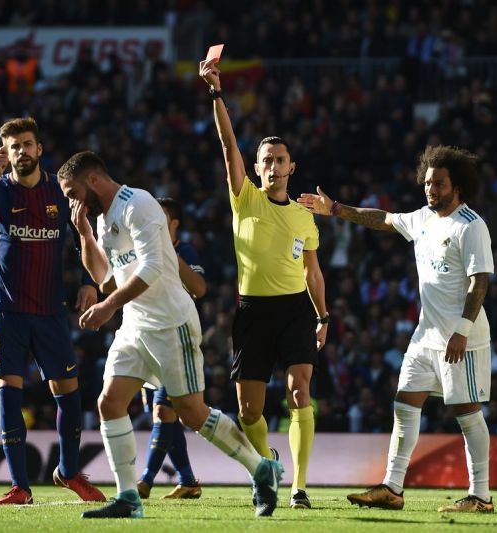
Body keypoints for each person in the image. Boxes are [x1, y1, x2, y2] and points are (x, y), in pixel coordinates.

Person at [57, 150, 283, 519]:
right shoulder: (102, 218)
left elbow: (152, 268)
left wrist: (109, 306)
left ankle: (261, 468)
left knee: (192, 413)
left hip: (170, 323)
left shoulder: (139, 204)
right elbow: (105, 278)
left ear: (93, 181)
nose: (70, 201)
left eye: (71, 192)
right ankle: (129, 498)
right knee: (109, 403)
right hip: (135, 324)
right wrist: (83, 233)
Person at [298, 145, 495, 513]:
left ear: (458, 186)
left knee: (467, 413)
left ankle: (481, 496)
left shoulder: (471, 225)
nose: (430, 189)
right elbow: (384, 219)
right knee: (405, 404)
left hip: (461, 338)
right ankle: (392, 487)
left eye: (439, 183)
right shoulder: (423, 218)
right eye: (427, 182)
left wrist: (463, 329)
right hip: (425, 336)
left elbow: (479, 281)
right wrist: (337, 210)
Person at [199, 58, 328, 509]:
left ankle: (300, 487)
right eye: (267, 160)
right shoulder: (245, 198)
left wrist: (323, 315)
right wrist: (217, 92)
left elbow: (313, 271)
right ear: (256, 167)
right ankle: (265, 467)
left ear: (292, 167)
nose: (274, 166)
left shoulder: (304, 215)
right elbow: (226, 140)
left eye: (281, 160)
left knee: (299, 391)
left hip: (295, 311)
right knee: (249, 411)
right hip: (252, 312)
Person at [0, 117, 106, 505]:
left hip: (50, 310)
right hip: (6, 310)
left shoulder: (60, 192)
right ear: (4, 154)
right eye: (14, 147)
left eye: (27, 144)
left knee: (69, 395)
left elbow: (81, 238)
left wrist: (89, 283)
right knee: (9, 395)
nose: (21, 151)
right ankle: (20, 486)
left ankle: (70, 471)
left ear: (40, 148)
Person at [137, 198, 206, 500]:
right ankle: (188, 480)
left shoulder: (185, 252)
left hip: (176, 338)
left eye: (161, 217)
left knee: (164, 411)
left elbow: (199, 288)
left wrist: (170, 255)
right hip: (149, 340)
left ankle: (145, 480)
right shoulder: (143, 249)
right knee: (168, 416)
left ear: (174, 223)